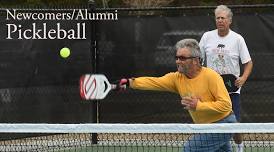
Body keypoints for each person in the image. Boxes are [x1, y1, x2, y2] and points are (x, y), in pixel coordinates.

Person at [118, 38, 237, 151]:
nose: (178, 61)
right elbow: (154, 82)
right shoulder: (176, 78)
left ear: (195, 60)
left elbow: (226, 105)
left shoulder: (211, 76)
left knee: (190, 149)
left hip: (223, 124)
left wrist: (198, 106)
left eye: (182, 58)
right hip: (206, 126)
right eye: (177, 57)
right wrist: (130, 82)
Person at [199, 5, 253, 152]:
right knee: (211, 123)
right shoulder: (207, 37)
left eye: (223, 18)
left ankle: (240, 146)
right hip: (211, 89)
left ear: (229, 20)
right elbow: (198, 59)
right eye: (218, 18)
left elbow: (248, 63)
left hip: (232, 89)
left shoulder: (237, 39)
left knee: (234, 124)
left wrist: (243, 78)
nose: (220, 20)